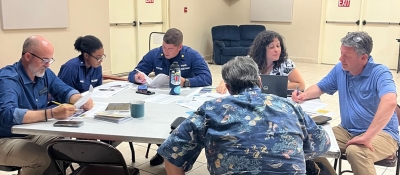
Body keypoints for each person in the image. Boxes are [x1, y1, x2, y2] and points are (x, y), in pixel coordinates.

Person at [158, 56, 330, 175]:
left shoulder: (211, 109)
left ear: (228, 87)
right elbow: (322, 144)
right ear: (260, 81)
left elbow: (171, 154)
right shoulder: (289, 107)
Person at [292, 31, 399, 175]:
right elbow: (320, 87)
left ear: (363, 58)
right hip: (347, 130)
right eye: (341, 53)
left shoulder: (380, 73)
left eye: (346, 55)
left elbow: (390, 101)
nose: (340, 58)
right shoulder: (341, 69)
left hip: (382, 134)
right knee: (309, 140)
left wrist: (367, 137)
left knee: (356, 152)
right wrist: (304, 95)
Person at [0, 35, 94, 175]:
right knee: (40, 158)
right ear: (27, 56)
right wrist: (51, 113)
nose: (48, 64)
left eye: (50, 60)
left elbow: (63, 90)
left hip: (31, 132)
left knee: (64, 143)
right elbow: (7, 114)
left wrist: (80, 99)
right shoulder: (8, 78)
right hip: (6, 138)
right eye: (44, 60)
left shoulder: (43, 73)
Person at [216, 30, 305, 94]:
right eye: (271, 47)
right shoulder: (249, 61)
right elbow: (231, 77)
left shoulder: (286, 63)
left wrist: (274, 87)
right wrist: (223, 84)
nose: (276, 50)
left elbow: (301, 85)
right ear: (262, 50)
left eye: (278, 46)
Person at [128, 28, 212, 87]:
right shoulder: (154, 54)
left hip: (184, 93)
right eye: (164, 47)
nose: (165, 51)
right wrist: (136, 77)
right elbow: (133, 73)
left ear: (180, 47)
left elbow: (207, 79)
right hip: (159, 94)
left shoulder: (192, 55)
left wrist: (185, 82)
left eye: (170, 49)